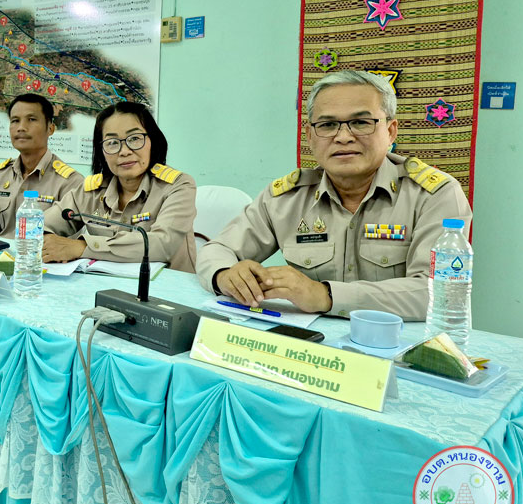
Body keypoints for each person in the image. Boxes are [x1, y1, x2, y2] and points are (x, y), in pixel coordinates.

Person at [197, 70, 473, 321]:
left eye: (361, 122)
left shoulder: (435, 195)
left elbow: (440, 292)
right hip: (309, 347)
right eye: (328, 125)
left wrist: (325, 295)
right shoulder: (286, 198)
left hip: (401, 351)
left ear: (390, 131)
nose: (343, 137)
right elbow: (217, 250)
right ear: (310, 135)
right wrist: (226, 275)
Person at [42, 102, 197, 272]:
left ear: (153, 141)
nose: (124, 151)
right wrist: (51, 245)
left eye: (135, 139)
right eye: (112, 142)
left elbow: (162, 245)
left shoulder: (178, 186)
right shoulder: (91, 190)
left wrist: (81, 247)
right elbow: (38, 226)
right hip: (102, 287)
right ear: (101, 150)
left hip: (166, 290)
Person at [0, 93, 83, 237]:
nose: (21, 128)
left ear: (50, 129)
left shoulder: (70, 182)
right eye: (15, 120)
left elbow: (64, 241)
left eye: (31, 119)